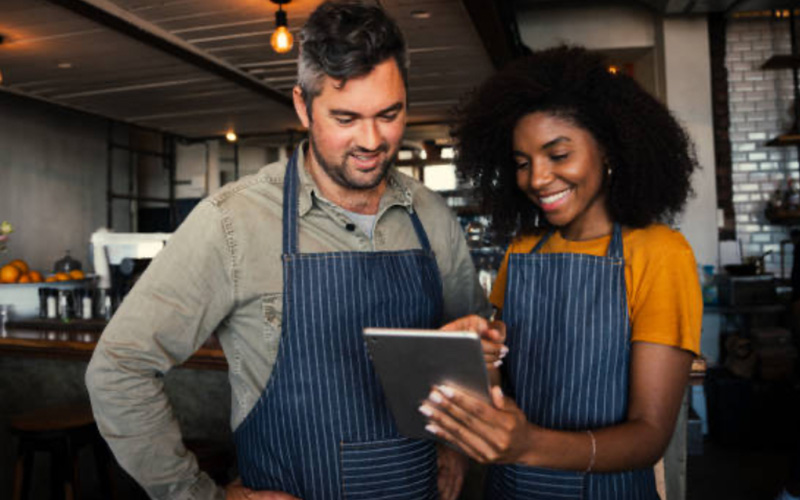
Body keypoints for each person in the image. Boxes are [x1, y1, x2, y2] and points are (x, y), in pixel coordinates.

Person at [85, 2, 494, 499]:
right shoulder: (234, 223)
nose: (371, 140)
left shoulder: (431, 216)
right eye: (345, 117)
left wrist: (458, 444)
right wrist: (196, 496)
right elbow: (119, 367)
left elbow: (475, 352)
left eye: (390, 114)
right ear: (302, 105)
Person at [419, 46, 703, 499]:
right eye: (522, 162)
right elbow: (501, 392)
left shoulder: (659, 254)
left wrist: (529, 445)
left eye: (558, 154)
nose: (536, 178)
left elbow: (650, 435)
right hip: (509, 489)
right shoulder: (524, 249)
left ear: (608, 148)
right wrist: (477, 359)